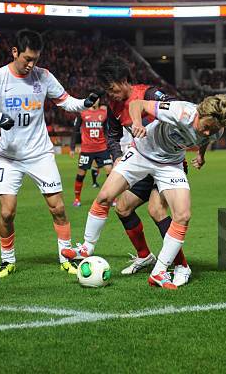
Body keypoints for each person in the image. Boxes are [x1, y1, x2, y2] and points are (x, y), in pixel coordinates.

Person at [63, 94, 226, 289]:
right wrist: (137, 123)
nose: (206, 132)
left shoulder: (216, 130)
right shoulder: (180, 111)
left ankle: (160, 271)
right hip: (142, 153)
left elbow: (205, 140)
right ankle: (87, 247)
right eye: (205, 127)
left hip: (170, 164)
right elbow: (138, 104)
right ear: (199, 113)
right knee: (105, 196)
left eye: (211, 130)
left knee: (183, 215)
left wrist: (201, 155)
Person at [0, 29, 97, 278]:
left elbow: (66, 101)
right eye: (27, 58)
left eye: (35, 59)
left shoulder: (44, 76)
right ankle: (8, 260)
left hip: (40, 155)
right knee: (7, 212)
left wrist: (84, 104)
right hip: (10, 157)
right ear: (15, 52)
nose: (31, 64)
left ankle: (66, 257)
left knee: (58, 208)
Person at [92, 56, 192, 286]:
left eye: (112, 88)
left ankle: (181, 266)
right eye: (106, 90)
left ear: (124, 80)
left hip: (167, 163)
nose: (110, 94)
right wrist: (117, 157)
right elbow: (112, 135)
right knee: (123, 208)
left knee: (157, 210)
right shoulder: (114, 106)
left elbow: (174, 111)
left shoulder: (148, 94)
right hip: (143, 162)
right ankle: (145, 256)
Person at [69, 99, 113, 207]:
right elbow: (75, 130)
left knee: (110, 172)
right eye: (92, 99)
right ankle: (77, 199)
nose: (94, 101)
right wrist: (72, 147)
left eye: (96, 99)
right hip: (87, 149)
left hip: (102, 148)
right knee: (81, 174)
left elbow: (107, 131)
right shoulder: (82, 113)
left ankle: (113, 198)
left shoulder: (104, 113)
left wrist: (110, 148)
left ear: (99, 101)